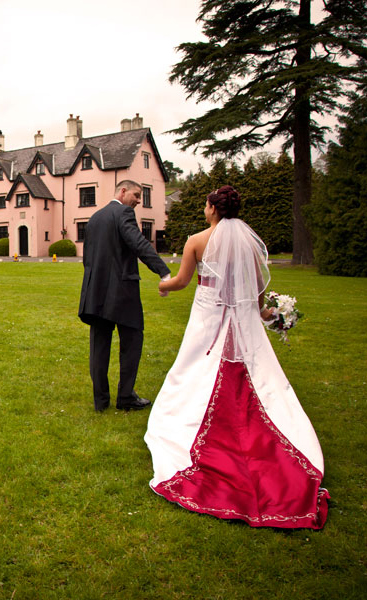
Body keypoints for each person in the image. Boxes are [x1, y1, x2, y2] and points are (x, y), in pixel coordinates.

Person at [147, 185, 329, 529]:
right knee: (248, 370)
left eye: (205, 205)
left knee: (194, 367)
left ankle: (187, 420)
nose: (204, 209)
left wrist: (162, 285)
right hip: (240, 315)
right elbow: (258, 288)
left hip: (209, 314)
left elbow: (183, 281)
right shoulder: (248, 242)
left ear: (214, 208)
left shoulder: (197, 240)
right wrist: (267, 312)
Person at [78, 180, 171, 412]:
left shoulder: (95, 217)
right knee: (132, 341)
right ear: (122, 191)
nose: (139, 200)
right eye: (136, 195)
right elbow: (139, 243)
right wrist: (164, 271)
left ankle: (100, 401)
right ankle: (126, 397)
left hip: (95, 291)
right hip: (122, 291)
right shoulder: (124, 212)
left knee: (99, 346)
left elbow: (87, 259)